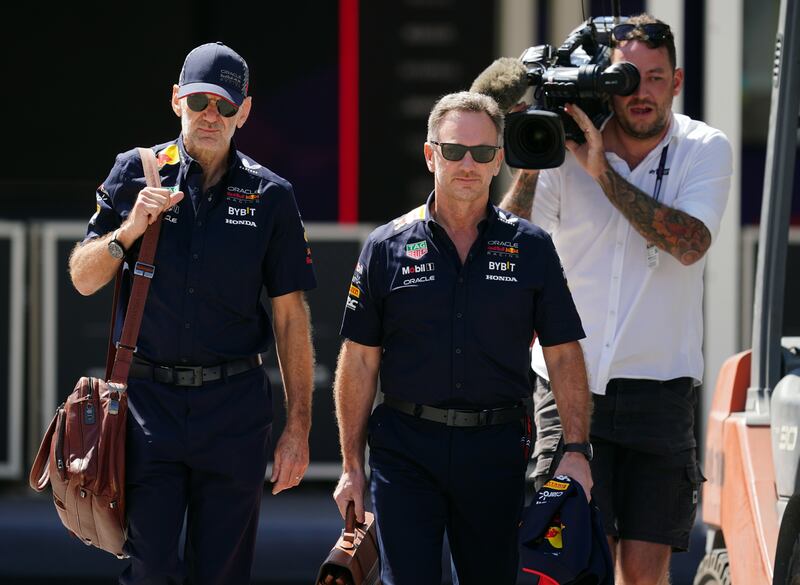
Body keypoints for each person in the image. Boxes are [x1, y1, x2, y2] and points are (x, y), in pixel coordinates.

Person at [68, 42, 316, 585]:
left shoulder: (271, 194)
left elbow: (291, 317)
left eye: (225, 106)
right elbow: (83, 278)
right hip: (147, 406)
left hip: (234, 411)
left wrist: (298, 426)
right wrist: (128, 231)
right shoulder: (135, 172)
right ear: (177, 101)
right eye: (200, 100)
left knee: (224, 573)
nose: (212, 115)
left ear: (244, 112)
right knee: (150, 569)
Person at [499, 14, 733, 585]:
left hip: (661, 392)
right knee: (568, 565)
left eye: (656, 77)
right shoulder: (561, 146)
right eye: (628, 78)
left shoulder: (705, 147)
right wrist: (539, 142)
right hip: (569, 387)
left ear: (676, 82)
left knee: (644, 578)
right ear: (607, 79)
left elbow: (689, 243)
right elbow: (506, 241)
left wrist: (601, 173)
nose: (642, 92)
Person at [332, 91, 593, 585]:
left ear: (499, 160)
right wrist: (350, 466)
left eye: (481, 152)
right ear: (431, 155)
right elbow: (360, 360)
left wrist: (576, 450)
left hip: (494, 450)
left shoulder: (531, 247)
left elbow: (562, 354)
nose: (466, 164)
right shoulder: (385, 246)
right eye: (453, 151)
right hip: (405, 451)